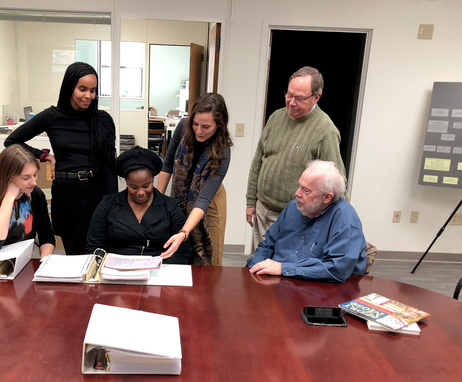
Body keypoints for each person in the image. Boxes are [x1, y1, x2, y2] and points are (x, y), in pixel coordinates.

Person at [5, 62, 117, 255]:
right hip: (67, 196)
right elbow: (12, 141)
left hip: (96, 193)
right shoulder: (52, 117)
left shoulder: (103, 120)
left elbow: (109, 167)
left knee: (96, 255)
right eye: (82, 89)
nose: (88, 96)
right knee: (73, 256)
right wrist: (43, 155)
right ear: (70, 87)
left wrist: (113, 204)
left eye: (93, 90)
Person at [246, 66, 346, 249]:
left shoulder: (326, 131)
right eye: (289, 95)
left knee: (283, 269)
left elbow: (337, 184)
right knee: (259, 263)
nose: (291, 102)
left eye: (299, 98)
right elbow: (258, 161)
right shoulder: (276, 117)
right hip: (262, 210)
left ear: (317, 97)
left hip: (297, 216)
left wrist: (334, 225)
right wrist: (251, 201)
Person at [247, 160, 367, 283]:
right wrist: (255, 266)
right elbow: (267, 245)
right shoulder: (293, 207)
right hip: (277, 283)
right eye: (299, 186)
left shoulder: (345, 220)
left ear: (327, 197)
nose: (297, 193)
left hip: (319, 289)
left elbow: (337, 268)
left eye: (306, 190)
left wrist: (284, 268)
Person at [157, 93, 232, 265]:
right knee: (180, 256)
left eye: (206, 126)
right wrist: (157, 201)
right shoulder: (184, 126)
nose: (198, 130)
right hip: (181, 197)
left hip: (209, 202)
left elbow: (203, 199)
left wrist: (184, 232)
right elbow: (168, 165)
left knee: (207, 260)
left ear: (219, 125)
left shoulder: (223, 151)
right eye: (195, 124)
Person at [86, 146, 190, 263]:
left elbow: (182, 250)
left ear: (153, 179)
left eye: (146, 186)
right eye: (133, 187)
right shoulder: (108, 204)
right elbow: (94, 246)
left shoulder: (170, 206)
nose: (141, 192)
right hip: (116, 271)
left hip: (159, 270)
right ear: (126, 182)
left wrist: (163, 272)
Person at [0, 145, 55, 258]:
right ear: (9, 177)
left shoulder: (36, 194)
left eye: (35, 175)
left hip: (19, 262)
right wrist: (9, 197)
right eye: (26, 178)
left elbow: (47, 237)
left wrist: (44, 262)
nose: (34, 182)